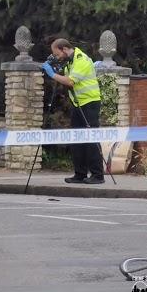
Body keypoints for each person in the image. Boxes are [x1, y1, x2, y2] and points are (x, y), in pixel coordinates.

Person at [41, 38, 105, 184]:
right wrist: (57, 71)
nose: (57, 58)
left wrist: (52, 74)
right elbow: (67, 79)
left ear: (64, 49)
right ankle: (80, 173)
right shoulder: (70, 62)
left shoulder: (80, 59)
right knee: (77, 138)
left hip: (89, 102)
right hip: (78, 103)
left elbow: (70, 81)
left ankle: (97, 175)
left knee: (90, 139)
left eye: (57, 54)